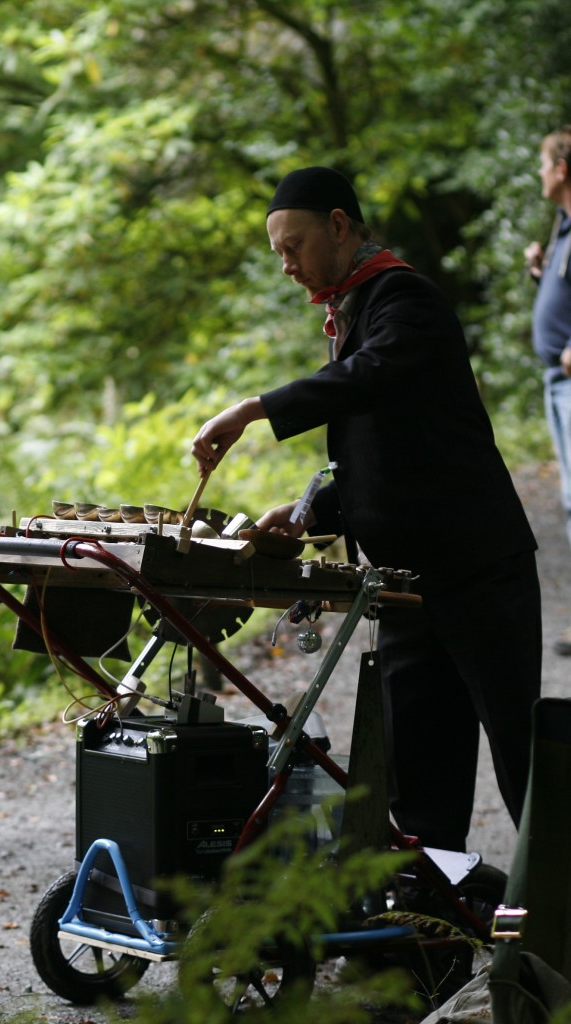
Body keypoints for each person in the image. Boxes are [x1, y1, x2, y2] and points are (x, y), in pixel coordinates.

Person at [191, 167, 542, 853]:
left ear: (339, 226)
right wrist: (305, 513)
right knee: (417, 772)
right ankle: (429, 931)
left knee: (524, 761)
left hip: (477, 571)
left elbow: (373, 374)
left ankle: (554, 916)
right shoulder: (352, 308)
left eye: (293, 246)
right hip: (407, 586)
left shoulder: (402, 297)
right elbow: (387, 453)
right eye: (278, 254)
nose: (287, 266)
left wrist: (254, 409)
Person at [525, 126, 571, 657]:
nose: (539, 173)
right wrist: (542, 272)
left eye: (543, 164)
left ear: (562, 168)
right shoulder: (563, 224)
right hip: (556, 381)